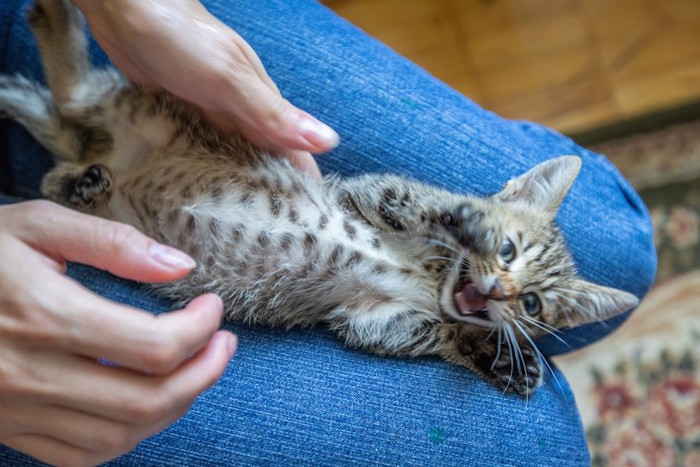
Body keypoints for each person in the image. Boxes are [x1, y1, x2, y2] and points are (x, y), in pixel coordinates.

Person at [0, 0, 656, 465]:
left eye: (530, 305)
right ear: (508, 200)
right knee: (533, 443)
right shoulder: (423, 229)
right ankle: (73, 107)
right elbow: (373, 199)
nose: (506, 287)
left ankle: (77, 171)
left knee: (618, 245)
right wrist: (451, 217)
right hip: (210, 176)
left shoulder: (413, 312)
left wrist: (464, 343)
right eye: (510, 248)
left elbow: (364, 327)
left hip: (172, 236)